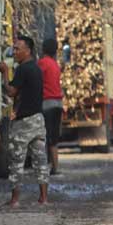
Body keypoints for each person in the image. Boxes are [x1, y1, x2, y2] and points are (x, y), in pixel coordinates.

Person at [0, 35, 50, 207]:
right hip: (38, 120)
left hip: (24, 122)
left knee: (16, 161)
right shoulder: (36, 68)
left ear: (27, 50)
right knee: (40, 160)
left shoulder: (22, 69)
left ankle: (15, 199)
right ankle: (43, 198)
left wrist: (5, 73)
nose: (14, 52)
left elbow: (11, 92)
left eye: (17, 49)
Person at [38, 38, 63, 175]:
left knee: (46, 136)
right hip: (58, 103)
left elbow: (36, 79)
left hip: (47, 103)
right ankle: (55, 166)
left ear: (43, 49)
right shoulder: (55, 64)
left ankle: (51, 166)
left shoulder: (42, 63)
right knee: (54, 136)